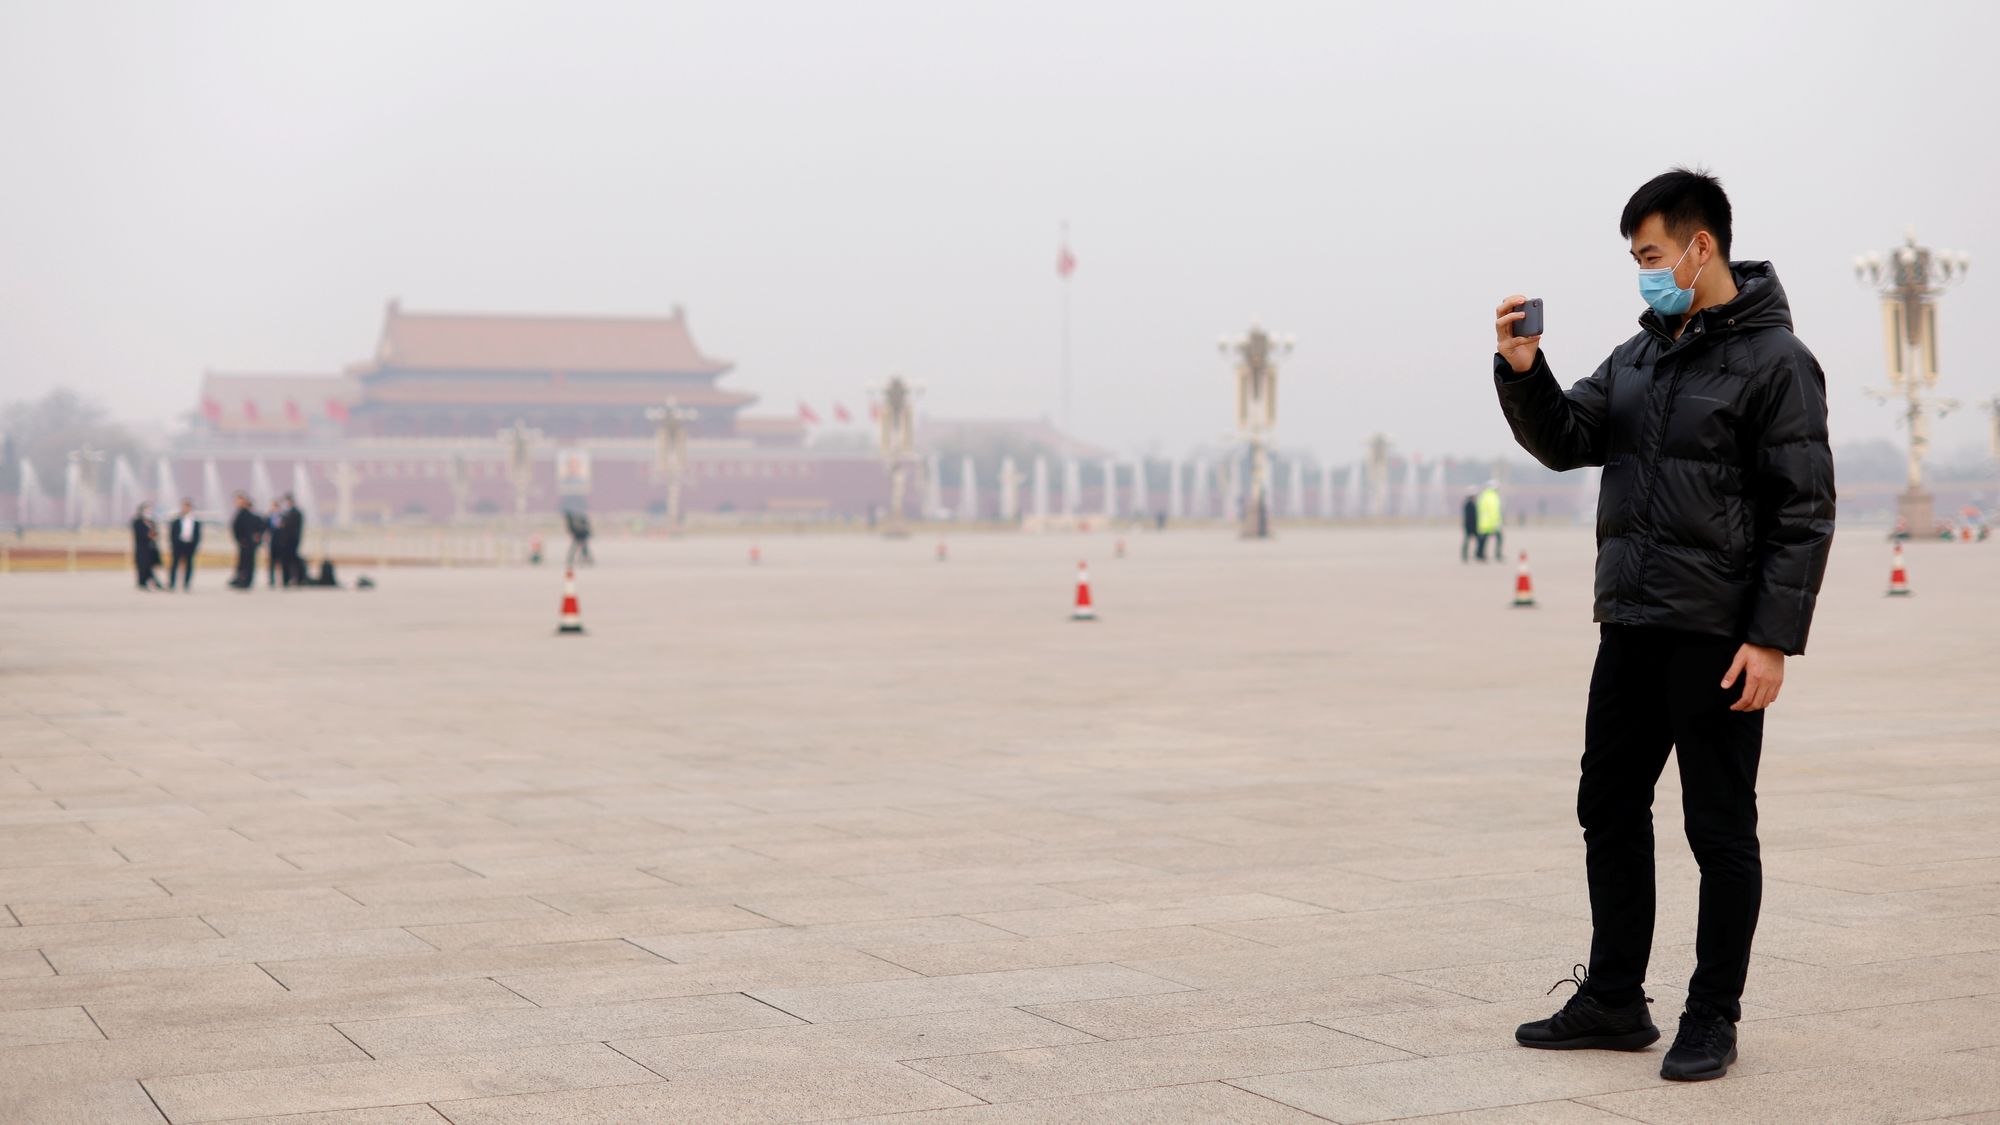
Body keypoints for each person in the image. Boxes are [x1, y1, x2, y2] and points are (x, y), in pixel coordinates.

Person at [1494, 169, 1834, 1082]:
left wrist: (1772, 637)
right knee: (1607, 802)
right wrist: (1524, 373)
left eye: (1650, 256)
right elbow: (1568, 437)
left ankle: (1712, 1014)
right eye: (1636, 259)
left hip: (1718, 636)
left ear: (1701, 247)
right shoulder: (1639, 357)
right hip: (1631, 624)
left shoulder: (1778, 363)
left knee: (1719, 828)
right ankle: (1613, 996)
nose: (1643, 273)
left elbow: (1803, 511)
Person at [229, 493, 263, 589]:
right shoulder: (240, 514)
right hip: (243, 543)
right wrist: (239, 540)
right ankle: (241, 579)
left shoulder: (252, 516)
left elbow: (259, 529)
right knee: (242, 562)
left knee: (249, 563)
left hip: (249, 543)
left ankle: (246, 581)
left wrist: (256, 538)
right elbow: (236, 528)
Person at [166, 498, 200, 591]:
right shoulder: (176, 521)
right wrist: (173, 544)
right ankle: (172, 584)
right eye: (185, 506)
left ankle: (186, 584)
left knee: (189, 565)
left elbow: (198, 535)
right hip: (178, 545)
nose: (186, 508)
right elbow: (172, 534)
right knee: (174, 564)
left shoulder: (195, 521)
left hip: (189, 545)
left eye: (188, 506)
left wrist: (195, 545)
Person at [130, 503, 164, 590]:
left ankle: (152, 582)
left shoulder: (152, 522)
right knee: (143, 565)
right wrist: (147, 535)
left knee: (149, 565)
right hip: (142, 547)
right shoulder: (137, 522)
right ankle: (143, 583)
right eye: (146, 510)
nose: (148, 512)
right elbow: (138, 534)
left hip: (151, 547)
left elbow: (156, 533)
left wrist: (154, 535)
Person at [280, 494, 307, 585]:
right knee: (286, 561)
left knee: (293, 560)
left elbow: (295, 528)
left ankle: (298, 578)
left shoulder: (296, 513)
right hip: (286, 542)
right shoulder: (286, 513)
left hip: (292, 541)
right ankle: (287, 579)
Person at [1475, 480, 1504, 561]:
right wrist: (1497, 523)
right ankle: (1497, 554)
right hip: (1491, 523)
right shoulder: (1493, 497)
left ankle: (1480, 554)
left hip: (1483, 523)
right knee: (1499, 538)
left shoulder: (1483, 496)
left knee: (1483, 540)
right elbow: (1494, 512)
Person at [265, 499, 285, 587]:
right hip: (272, 542)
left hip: (281, 542)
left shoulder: (283, 517)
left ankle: (283, 579)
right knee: (272, 562)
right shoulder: (269, 517)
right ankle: (271, 580)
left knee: (281, 562)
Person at [1460, 488, 1481, 562]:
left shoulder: (1472, 504)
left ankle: (1476, 554)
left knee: (1475, 540)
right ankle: (1465, 555)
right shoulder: (1468, 504)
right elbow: (1470, 518)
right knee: (1467, 541)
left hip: (1473, 526)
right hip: (1470, 526)